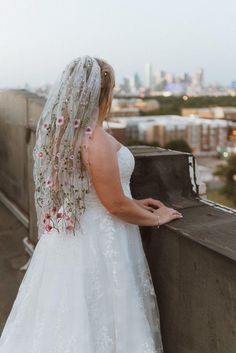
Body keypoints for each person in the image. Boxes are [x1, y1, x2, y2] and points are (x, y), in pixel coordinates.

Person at [0, 55, 183, 353]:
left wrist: (134, 200)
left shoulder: (66, 136)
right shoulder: (94, 139)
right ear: (105, 92)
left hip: (72, 235)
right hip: (99, 239)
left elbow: (92, 190)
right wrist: (158, 218)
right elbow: (113, 204)